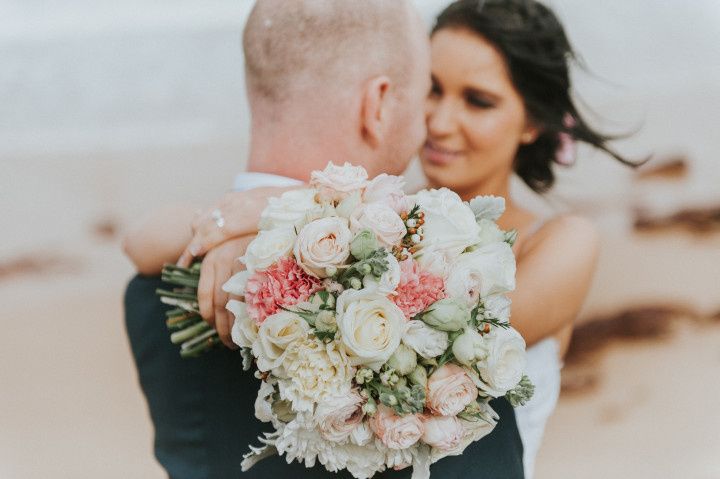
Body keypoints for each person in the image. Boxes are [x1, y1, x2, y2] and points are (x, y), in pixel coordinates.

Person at [163, 1, 639, 477]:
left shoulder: (560, 243)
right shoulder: (375, 214)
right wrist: (225, 233)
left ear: (534, 121)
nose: (439, 120)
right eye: (431, 88)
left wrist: (273, 204)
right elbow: (145, 240)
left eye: (478, 101)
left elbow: (452, 330)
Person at [123, 1, 525, 478]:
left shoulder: (153, 291)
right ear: (376, 105)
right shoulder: (437, 298)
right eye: (422, 100)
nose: (429, 127)